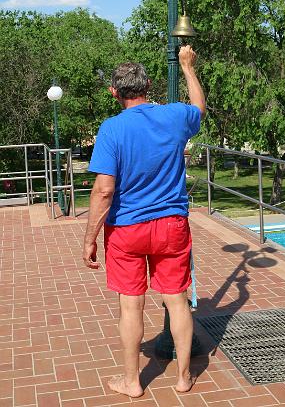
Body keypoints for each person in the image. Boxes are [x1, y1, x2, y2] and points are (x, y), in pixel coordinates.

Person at [82, 45, 205, 399]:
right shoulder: (175, 116)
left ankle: (132, 381)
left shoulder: (111, 129)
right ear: (148, 85)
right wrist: (187, 67)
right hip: (171, 225)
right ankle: (183, 377)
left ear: (114, 92)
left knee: (131, 305)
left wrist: (89, 239)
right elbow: (199, 107)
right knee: (177, 301)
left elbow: (104, 190)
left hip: (127, 229)